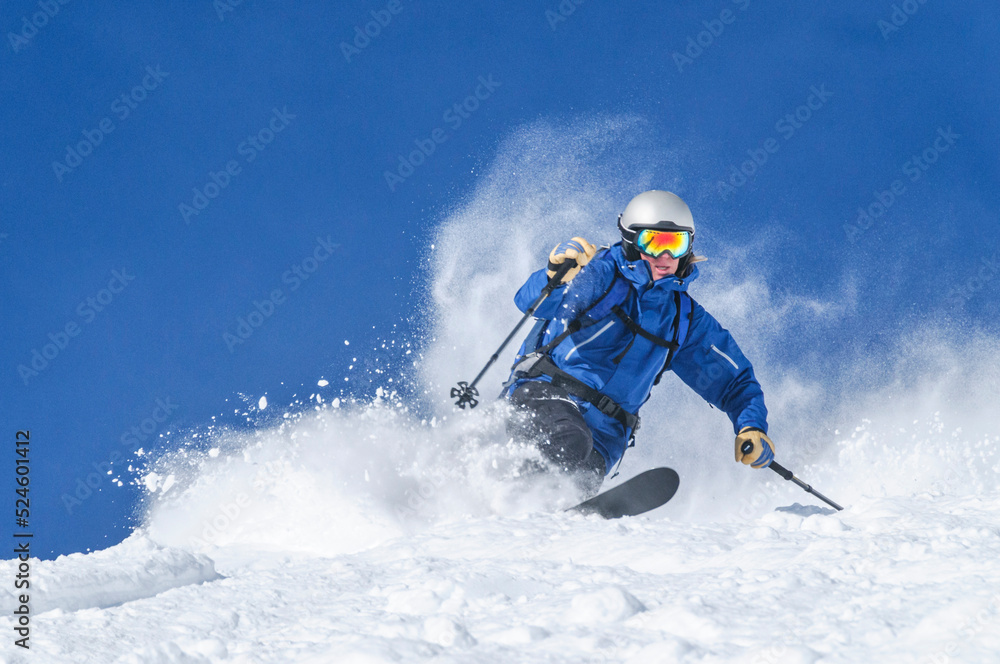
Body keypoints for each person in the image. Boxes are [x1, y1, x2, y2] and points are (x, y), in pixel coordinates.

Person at [502, 190, 773, 497]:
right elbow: (534, 304)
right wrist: (557, 275)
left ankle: (545, 514)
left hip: (605, 435)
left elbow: (734, 382)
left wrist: (751, 426)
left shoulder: (682, 319)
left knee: (581, 476)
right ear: (632, 240)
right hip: (546, 397)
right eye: (654, 242)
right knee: (569, 442)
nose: (665, 256)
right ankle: (515, 497)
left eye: (676, 244)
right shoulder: (600, 277)